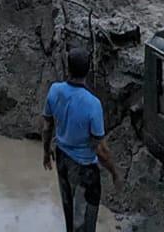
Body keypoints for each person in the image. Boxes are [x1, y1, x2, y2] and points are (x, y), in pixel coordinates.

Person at [41, 48, 121, 232]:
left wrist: (46, 153)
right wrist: (114, 172)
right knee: (85, 222)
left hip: (62, 160)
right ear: (88, 70)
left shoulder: (55, 90)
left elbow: (47, 127)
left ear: (68, 68)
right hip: (85, 170)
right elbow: (100, 149)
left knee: (70, 214)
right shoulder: (92, 104)